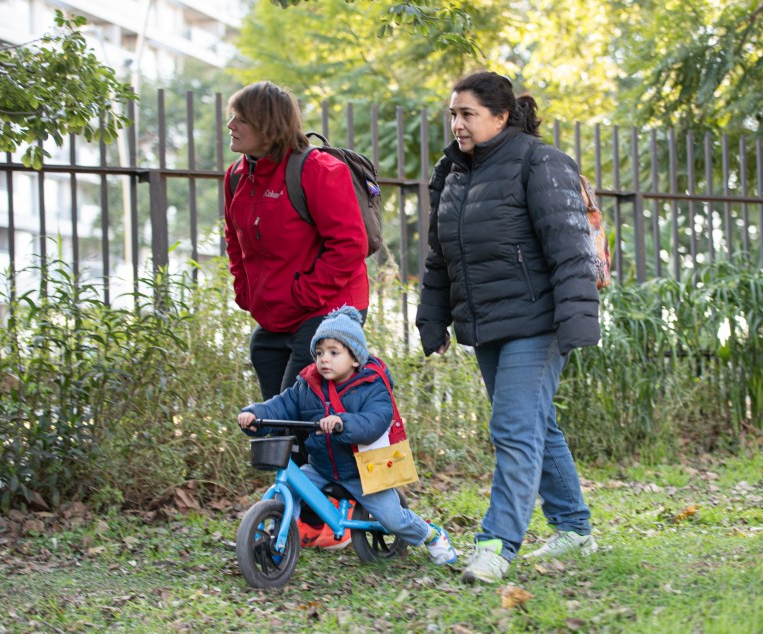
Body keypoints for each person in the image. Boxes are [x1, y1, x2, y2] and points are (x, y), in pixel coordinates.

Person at [416, 71, 601, 583]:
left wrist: (577, 320)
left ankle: (495, 545)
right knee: (536, 424)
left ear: (500, 116)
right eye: (453, 114)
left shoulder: (540, 162)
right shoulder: (453, 172)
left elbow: (570, 249)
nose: (457, 124)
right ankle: (574, 529)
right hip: (488, 321)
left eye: (468, 114)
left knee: (513, 428)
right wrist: (432, 316)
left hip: (538, 321)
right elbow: (440, 256)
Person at [224, 81, 369, 545]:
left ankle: (332, 515)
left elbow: (349, 245)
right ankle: (310, 511)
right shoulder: (237, 176)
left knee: (304, 412)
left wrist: (301, 292)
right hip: (276, 313)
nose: (231, 126)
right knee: (280, 421)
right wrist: (247, 293)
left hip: (328, 310)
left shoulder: (318, 171)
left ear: (268, 125)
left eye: (241, 118)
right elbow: (234, 240)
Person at [237, 306, 458, 564]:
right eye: (319, 353)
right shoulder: (307, 385)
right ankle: (277, 542)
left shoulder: (372, 386)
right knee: (288, 487)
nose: (324, 359)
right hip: (321, 468)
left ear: (355, 358)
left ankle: (431, 535)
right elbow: (281, 405)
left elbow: (375, 420)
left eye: (334, 353)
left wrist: (343, 422)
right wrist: (255, 415)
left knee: (392, 518)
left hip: (362, 471)